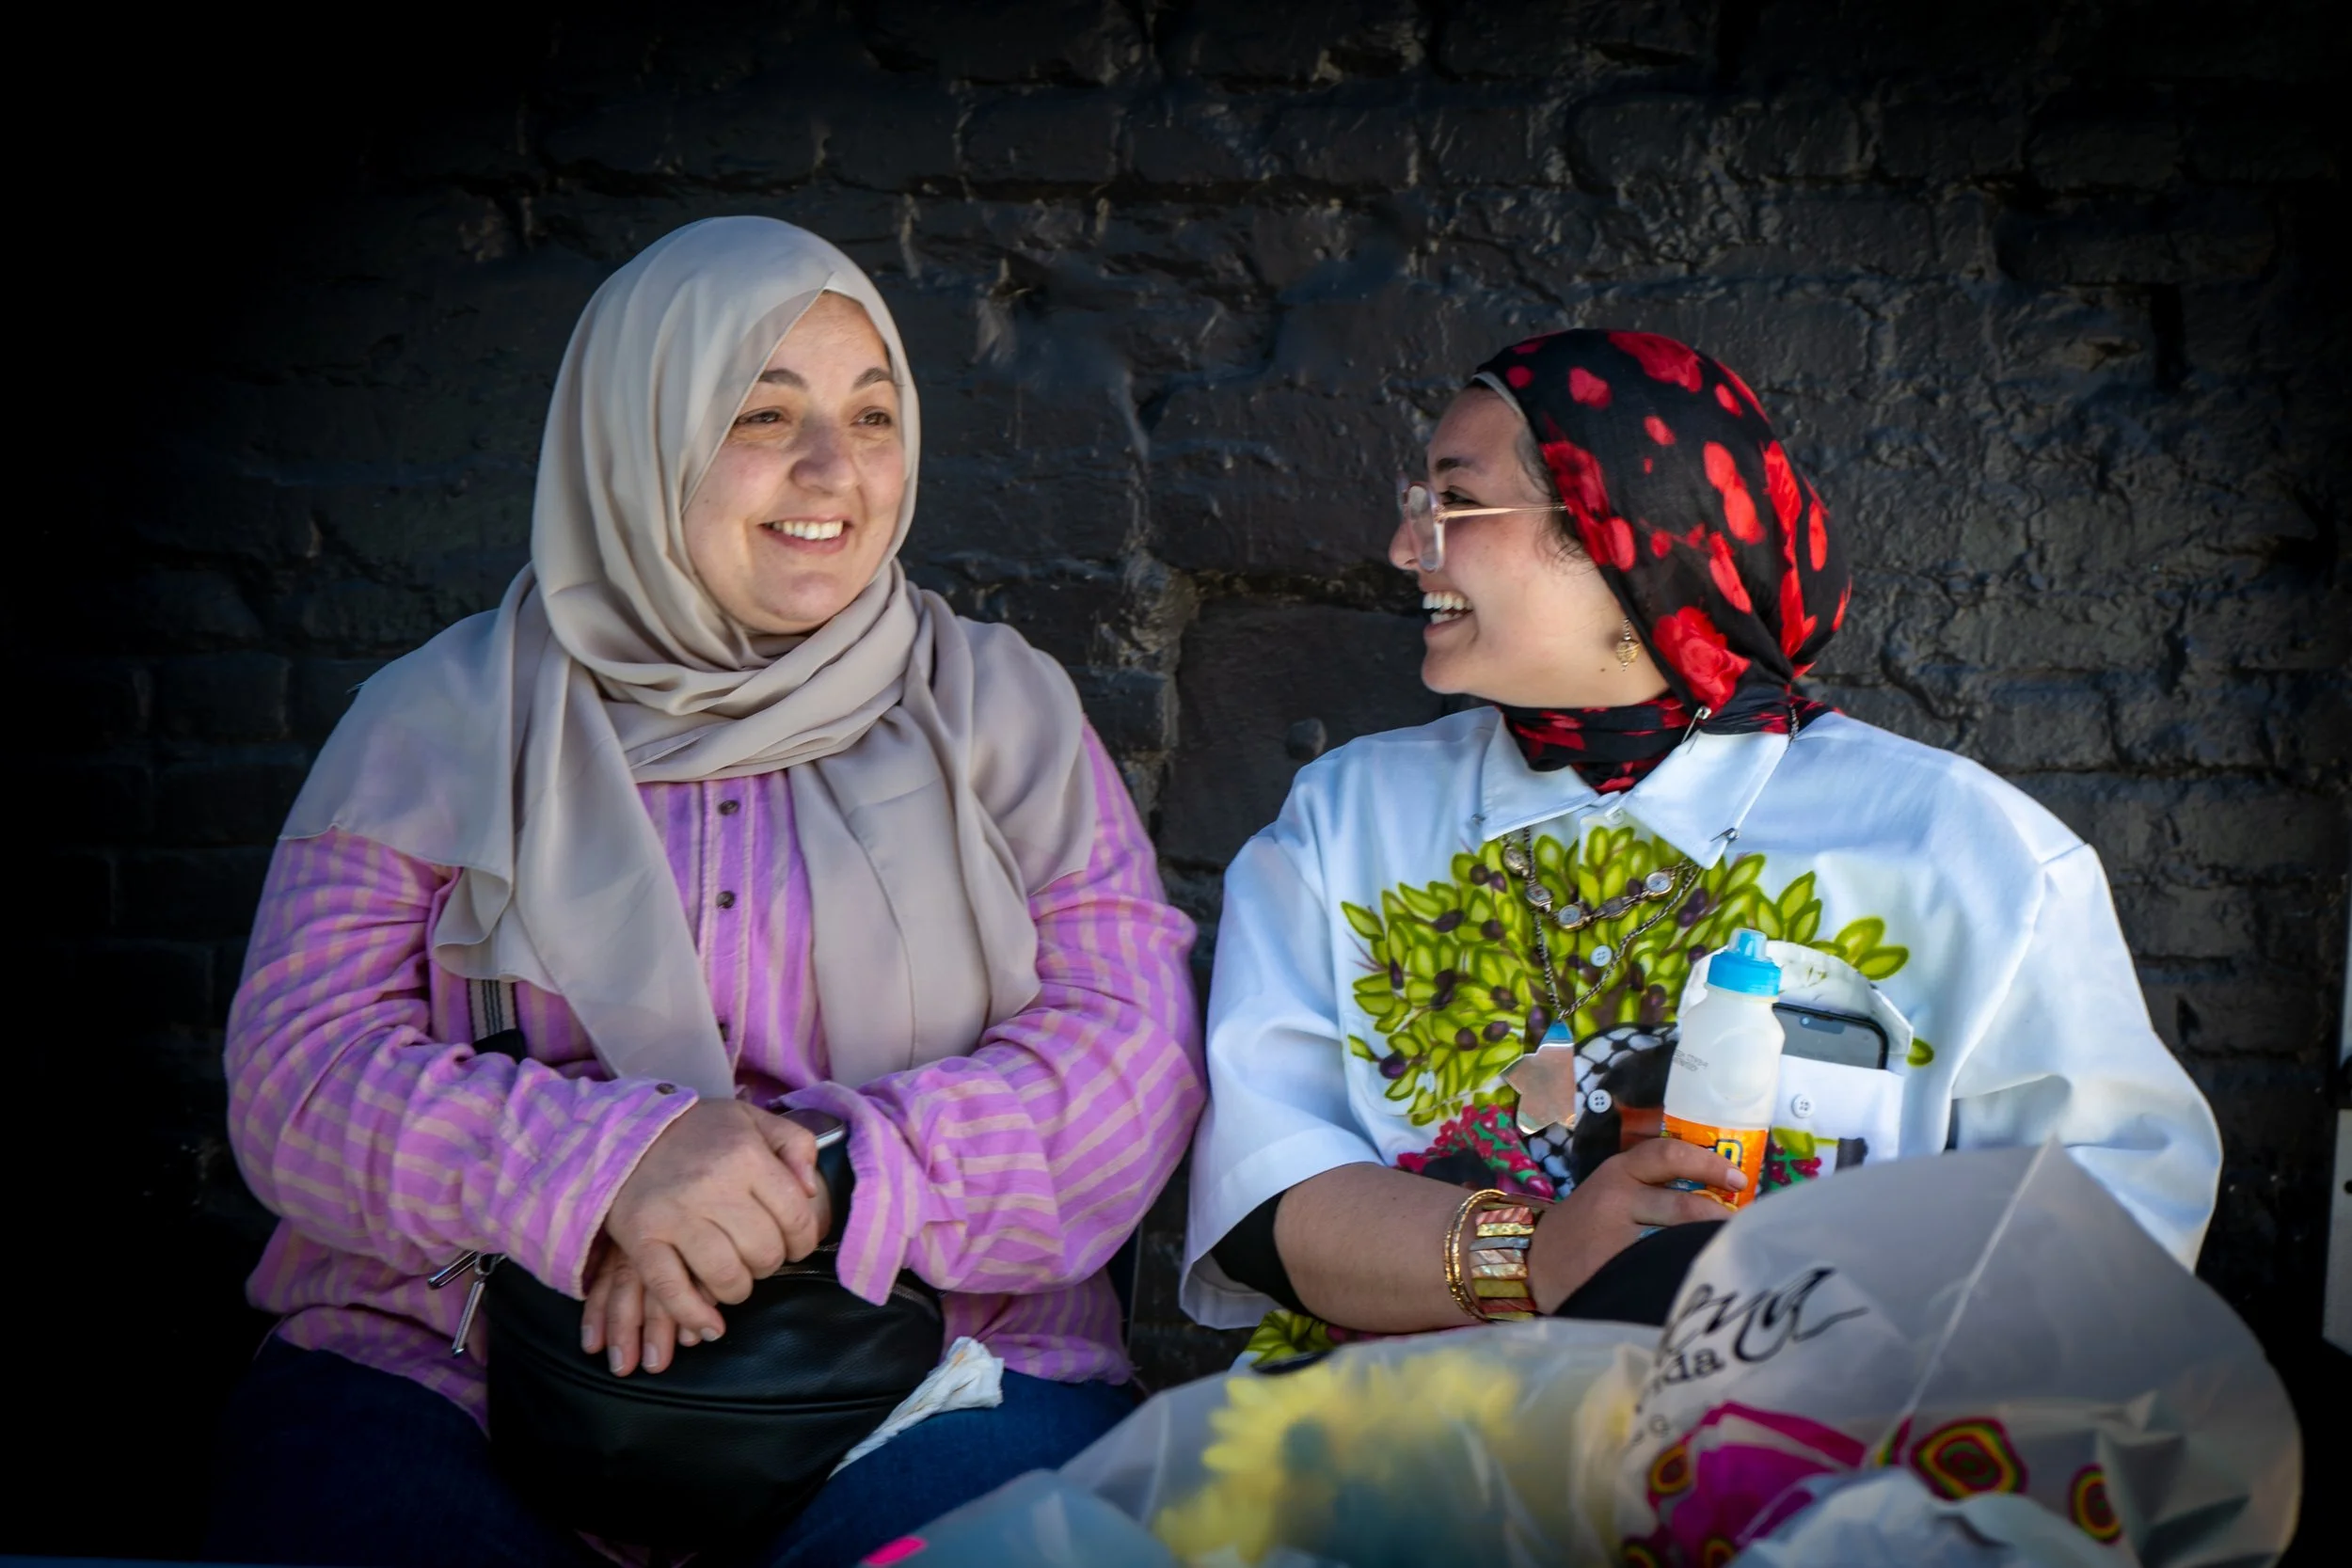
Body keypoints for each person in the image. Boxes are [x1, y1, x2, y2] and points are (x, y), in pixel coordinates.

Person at [207, 217, 1202, 1568]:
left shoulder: (1003, 715)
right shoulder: (435, 723)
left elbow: (1130, 1056)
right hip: (453, 1371)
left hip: (934, 1379)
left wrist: (834, 1181)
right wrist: (605, 1165)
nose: (831, 471)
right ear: (636, 435)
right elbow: (299, 1075)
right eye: (760, 412)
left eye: (871, 413)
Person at [1181, 327, 2220, 1360]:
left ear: (1617, 531)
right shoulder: (1346, 820)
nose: (1408, 547)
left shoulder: (1962, 851)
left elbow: (2112, 1215)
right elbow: (1266, 1191)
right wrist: (1537, 1255)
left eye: (1454, 501)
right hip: (1379, 1468)